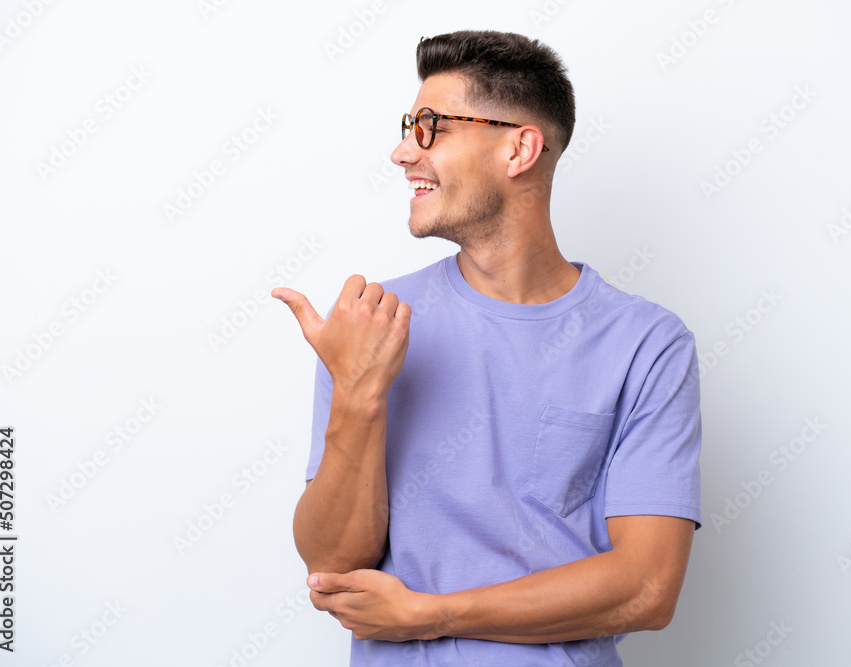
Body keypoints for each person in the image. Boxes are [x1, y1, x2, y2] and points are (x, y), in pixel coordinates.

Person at [272, 29, 702, 667]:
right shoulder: (371, 324)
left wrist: (430, 615)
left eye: (431, 128)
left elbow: (647, 588)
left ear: (519, 148)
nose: (402, 153)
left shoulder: (647, 344)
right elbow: (332, 565)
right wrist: (359, 395)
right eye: (408, 128)